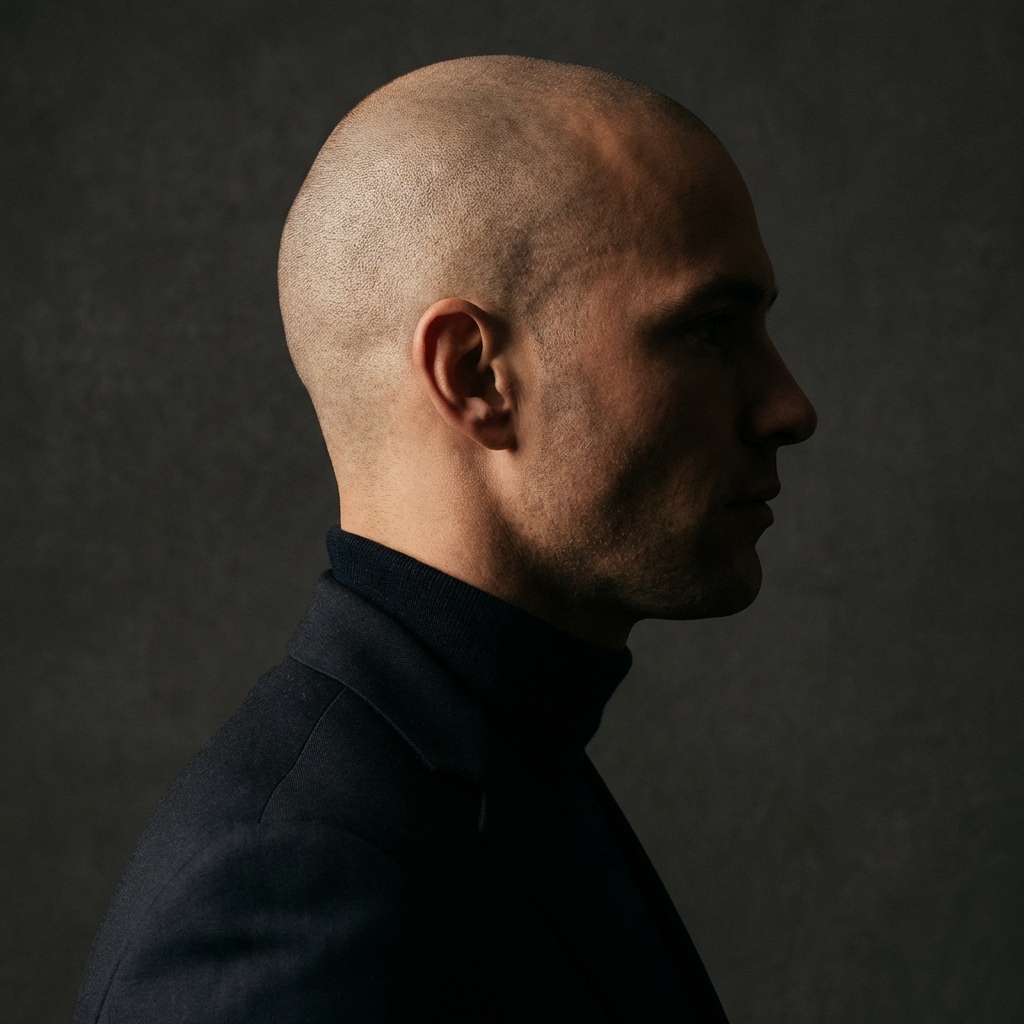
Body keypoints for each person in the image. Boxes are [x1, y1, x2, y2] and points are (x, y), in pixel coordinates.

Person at [72, 55, 816, 1023]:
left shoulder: (500, 764)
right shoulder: (294, 885)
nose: (788, 407)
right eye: (710, 331)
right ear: (475, 376)